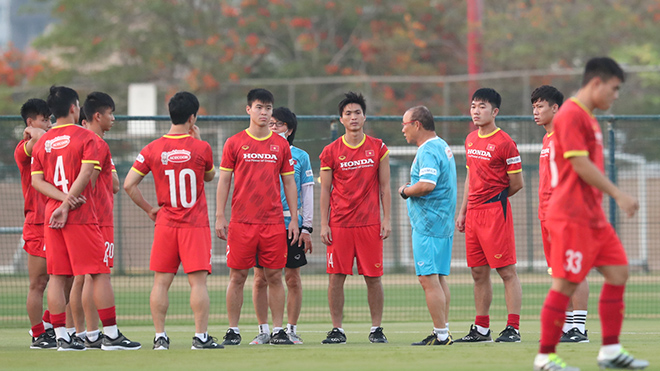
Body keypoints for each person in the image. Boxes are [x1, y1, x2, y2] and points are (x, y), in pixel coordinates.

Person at [534, 58, 649, 371]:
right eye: (614, 89)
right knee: (565, 284)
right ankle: (545, 357)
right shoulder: (570, 114)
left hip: (592, 216)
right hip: (570, 215)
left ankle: (610, 351)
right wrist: (617, 193)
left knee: (618, 273)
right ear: (596, 83)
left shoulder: (589, 118)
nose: (616, 96)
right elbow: (580, 164)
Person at [31, 85, 140, 351]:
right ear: (73, 108)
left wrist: (59, 202)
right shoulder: (87, 138)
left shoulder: (42, 141)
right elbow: (86, 174)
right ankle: (110, 335)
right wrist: (68, 202)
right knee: (99, 273)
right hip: (80, 215)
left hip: (51, 215)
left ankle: (62, 338)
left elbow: (36, 181)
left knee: (57, 276)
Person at [124, 91, 222, 350]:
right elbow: (210, 177)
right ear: (192, 118)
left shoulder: (152, 148)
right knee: (198, 282)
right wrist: (199, 142)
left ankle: (160, 338)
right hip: (195, 225)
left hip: (166, 223)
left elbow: (128, 184)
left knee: (161, 282)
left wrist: (149, 208)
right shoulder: (202, 148)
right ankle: (200, 338)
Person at [215, 88, 299, 346]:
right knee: (238, 277)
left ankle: (277, 330)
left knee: (274, 276)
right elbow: (224, 181)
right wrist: (219, 215)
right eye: (260, 107)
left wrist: (294, 219)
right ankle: (233, 330)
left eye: (269, 108)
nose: (264, 113)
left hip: (273, 223)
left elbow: (289, 184)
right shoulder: (234, 142)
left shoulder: (281, 145)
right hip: (242, 223)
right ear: (248, 110)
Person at [319, 91, 391, 344]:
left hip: (369, 224)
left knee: (373, 278)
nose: (353, 117)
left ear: (364, 116)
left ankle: (376, 328)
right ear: (341, 119)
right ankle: (337, 329)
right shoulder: (330, 151)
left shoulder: (378, 147)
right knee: (336, 278)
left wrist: (386, 218)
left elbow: (385, 187)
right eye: (348, 113)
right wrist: (324, 223)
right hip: (339, 225)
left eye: (357, 112)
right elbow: (325, 190)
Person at [454, 88, 524, 343]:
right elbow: (470, 178)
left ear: (494, 111)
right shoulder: (470, 139)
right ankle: (482, 329)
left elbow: (516, 183)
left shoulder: (505, 142)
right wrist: (462, 212)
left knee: (506, 271)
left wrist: (495, 200)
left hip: (496, 212)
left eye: (482, 106)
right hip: (473, 215)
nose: (476, 110)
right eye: (473, 105)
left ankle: (513, 328)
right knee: (478, 273)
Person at [249, 107, 314, 345]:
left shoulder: (301, 156)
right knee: (260, 278)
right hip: (263, 224)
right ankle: (264, 330)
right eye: (271, 123)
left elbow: (307, 193)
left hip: (291, 225)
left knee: (292, 278)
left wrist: (306, 227)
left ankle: (290, 329)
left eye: (278, 124)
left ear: (290, 129)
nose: (273, 127)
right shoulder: (258, 152)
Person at [532, 85, 590, 344]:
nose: (535, 111)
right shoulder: (547, 138)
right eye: (533, 106)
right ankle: (567, 328)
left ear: (555, 108)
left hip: (566, 215)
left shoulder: (567, 135)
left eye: (540, 106)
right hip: (547, 215)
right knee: (559, 273)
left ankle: (579, 328)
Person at [398, 106, 456, 346]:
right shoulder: (442, 144)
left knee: (428, 279)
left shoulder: (428, 150)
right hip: (442, 224)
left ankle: (441, 335)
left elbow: (427, 184)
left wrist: (405, 190)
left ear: (417, 124)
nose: (403, 129)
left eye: (405, 124)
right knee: (440, 278)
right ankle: (443, 330)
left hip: (429, 225)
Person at [67, 92, 120, 349]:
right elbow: (97, 181)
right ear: (97, 116)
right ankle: (91, 332)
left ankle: (77, 332)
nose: (114, 118)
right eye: (111, 113)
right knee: (92, 277)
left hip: (79, 217)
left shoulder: (73, 140)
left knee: (77, 277)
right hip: (96, 219)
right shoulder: (95, 143)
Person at [15, 98, 56, 349]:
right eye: (45, 119)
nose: (50, 124)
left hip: (58, 220)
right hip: (37, 224)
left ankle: (49, 323)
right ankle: (38, 334)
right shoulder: (24, 148)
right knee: (38, 283)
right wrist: (34, 132)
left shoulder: (51, 144)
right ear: (31, 122)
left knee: (70, 277)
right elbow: (36, 141)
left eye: (51, 119)